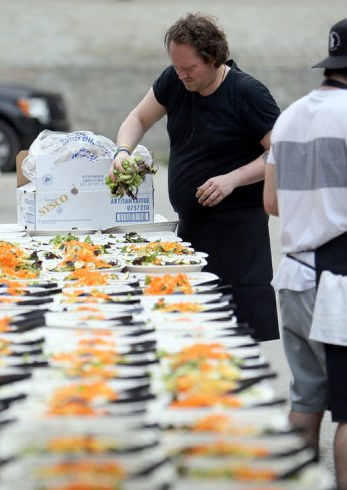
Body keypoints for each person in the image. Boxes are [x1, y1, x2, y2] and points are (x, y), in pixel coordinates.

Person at [110, 12, 280, 341]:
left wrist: (232, 178)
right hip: (192, 226)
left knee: (240, 334)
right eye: (176, 67)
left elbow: (283, 151)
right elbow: (138, 118)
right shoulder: (173, 81)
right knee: (194, 327)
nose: (181, 75)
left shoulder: (247, 92)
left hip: (239, 234)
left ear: (213, 58)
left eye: (189, 69)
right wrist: (122, 152)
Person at [263, 14, 347, 490]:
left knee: (306, 400)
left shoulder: (291, 115)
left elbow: (272, 203)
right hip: (341, 284)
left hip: (294, 275)